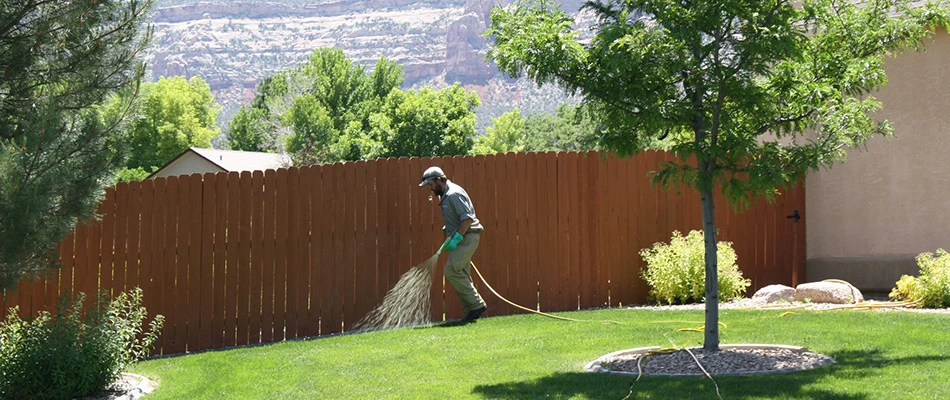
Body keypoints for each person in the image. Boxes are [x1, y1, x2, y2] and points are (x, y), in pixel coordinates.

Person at [419, 166, 487, 322]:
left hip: (468, 237)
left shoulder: (454, 194)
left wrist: (456, 238)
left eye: (430, 185)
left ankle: (477, 305)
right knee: (462, 273)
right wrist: (449, 228)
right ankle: (469, 313)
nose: (430, 189)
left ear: (439, 180)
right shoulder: (444, 195)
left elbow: (468, 219)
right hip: (462, 237)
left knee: (451, 271)